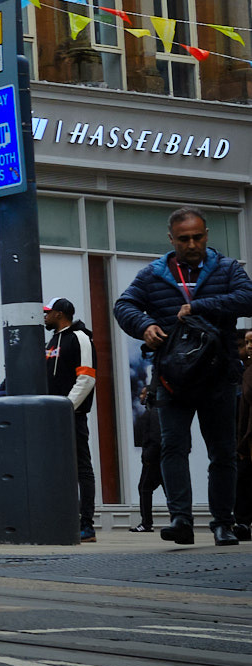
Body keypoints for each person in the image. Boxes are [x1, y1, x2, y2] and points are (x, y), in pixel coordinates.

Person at [114, 207, 252, 545]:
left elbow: (248, 298)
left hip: (218, 376)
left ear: (206, 235)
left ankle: (222, 523)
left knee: (222, 452)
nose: (192, 244)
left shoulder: (228, 269)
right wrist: (144, 326)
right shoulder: (153, 275)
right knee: (172, 448)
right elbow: (123, 305)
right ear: (171, 239)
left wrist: (201, 306)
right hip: (172, 378)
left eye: (198, 237)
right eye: (184, 239)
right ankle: (181, 520)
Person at [43, 298, 99, 541]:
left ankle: (87, 524)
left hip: (71, 415)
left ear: (59, 314)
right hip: (53, 416)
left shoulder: (80, 337)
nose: (44, 317)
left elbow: (86, 377)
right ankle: (63, 521)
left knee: (82, 469)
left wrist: (66, 407)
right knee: (56, 470)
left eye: (47, 313)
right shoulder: (52, 341)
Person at [132, 381, 163, 532]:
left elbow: (155, 438)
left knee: (144, 488)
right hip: (157, 458)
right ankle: (181, 518)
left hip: (153, 459)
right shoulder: (156, 411)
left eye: (144, 394)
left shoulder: (153, 412)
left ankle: (146, 523)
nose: (141, 396)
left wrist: (148, 457)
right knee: (166, 488)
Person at [234, 330, 252, 542]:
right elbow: (243, 414)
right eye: (247, 342)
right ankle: (243, 523)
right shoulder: (246, 373)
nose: (249, 346)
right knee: (244, 479)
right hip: (248, 437)